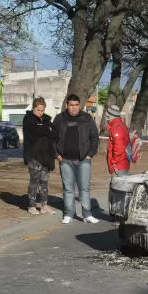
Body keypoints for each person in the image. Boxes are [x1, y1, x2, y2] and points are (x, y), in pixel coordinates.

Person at [54, 94, 100, 224]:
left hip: (83, 160)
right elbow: (52, 139)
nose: (74, 108)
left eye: (76, 105)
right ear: (66, 105)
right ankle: (69, 213)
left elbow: (94, 137)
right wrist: (57, 155)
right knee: (68, 188)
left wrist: (90, 154)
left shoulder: (86, 118)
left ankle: (87, 214)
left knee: (84, 188)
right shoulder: (59, 119)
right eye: (71, 105)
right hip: (65, 160)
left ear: (79, 105)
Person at [23, 96, 57, 215]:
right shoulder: (28, 119)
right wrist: (46, 129)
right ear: (33, 108)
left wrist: (47, 127)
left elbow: (55, 132)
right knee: (34, 181)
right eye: (38, 110)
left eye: (42, 110)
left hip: (46, 156)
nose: (40, 112)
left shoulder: (46, 120)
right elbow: (40, 131)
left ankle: (44, 205)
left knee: (44, 181)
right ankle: (31, 206)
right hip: (33, 156)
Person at [105, 105, 131, 177]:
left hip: (118, 166)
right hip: (122, 164)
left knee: (117, 186)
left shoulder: (116, 128)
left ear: (110, 116)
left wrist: (113, 162)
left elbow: (118, 149)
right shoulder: (121, 125)